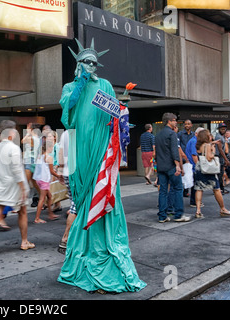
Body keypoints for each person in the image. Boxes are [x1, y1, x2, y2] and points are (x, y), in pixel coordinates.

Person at [57, 38, 146, 293]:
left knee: (103, 191)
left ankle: (101, 252)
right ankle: (81, 252)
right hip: (80, 148)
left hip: (101, 148)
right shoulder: (69, 87)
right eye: (86, 62)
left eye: (94, 63)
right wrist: (81, 82)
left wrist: (123, 110)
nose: (91, 66)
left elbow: (114, 116)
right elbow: (68, 112)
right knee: (84, 197)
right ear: (78, 63)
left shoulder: (105, 85)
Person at [0, 120, 35, 255]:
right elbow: (17, 170)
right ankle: (24, 241)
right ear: (10, 133)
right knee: (22, 213)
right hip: (13, 187)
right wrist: (23, 188)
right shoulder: (14, 148)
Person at [155, 113, 190, 223]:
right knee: (178, 189)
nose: (176, 122)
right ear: (169, 121)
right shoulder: (172, 134)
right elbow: (175, 151)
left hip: (161, 166)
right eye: (174, 120)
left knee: (163, 191)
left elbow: (156, 152)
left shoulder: (158, 134)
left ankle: (162, 216)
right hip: (171, 166)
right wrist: (177, 166)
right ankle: (179, 215)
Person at [193, 129, 230, 219]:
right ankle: (223, 209)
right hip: (209, 170)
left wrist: (212, 143)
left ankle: (198, 210)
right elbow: (209, 157)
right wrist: (213, 150)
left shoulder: (199, 145)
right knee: (216, 189)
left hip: (200, 168)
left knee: (199, 189)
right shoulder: (208, 145)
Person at [33, 130, 60, 223]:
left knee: (49, 196)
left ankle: (50, 214)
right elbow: (52, 171)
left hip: (39, 179)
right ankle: (37, 218)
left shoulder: (41, 155)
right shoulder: (49, 157)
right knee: (42, 199)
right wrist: (59, 176)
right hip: (44, 180)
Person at [57, 130, 77, 254]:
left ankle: (73, 238)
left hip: (67, 172)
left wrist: (60, 170)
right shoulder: (82, 130)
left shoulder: (65, 133)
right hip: (78, 174)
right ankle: (66, 238)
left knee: (74, 204)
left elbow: (60, 155)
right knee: (76, 206)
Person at [21, 123, 41, 207]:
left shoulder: (31, 138)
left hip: (30, 161)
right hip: (33, 161)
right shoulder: (37, 138)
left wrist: (28, 132)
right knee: (35, 183)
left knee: (25, 183)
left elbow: (22, 141)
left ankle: (20, 204)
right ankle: (47, 198)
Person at [185, 127, 205, 208]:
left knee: (195, 185)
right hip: (193, 166)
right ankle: (194, 201)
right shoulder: (194, 141)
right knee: (196, 186)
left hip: (192, 165)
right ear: (196, 134)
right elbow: (194, 155)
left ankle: (195, 201)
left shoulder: (194, 140)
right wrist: (199, 166)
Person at [214, 123, 230, 195]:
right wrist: (226, 160)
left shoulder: (221, 136)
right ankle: (219, 189)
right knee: (219, 175)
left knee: (220, 174)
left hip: (221, 158)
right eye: (222, 129)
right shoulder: (218, 137)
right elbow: (220, 150)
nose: (223, 130)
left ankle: (221, 188)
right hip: (218, 157)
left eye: (224, 129)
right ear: (219, 129)